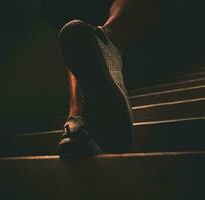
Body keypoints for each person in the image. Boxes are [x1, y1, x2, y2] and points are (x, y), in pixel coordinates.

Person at [40, 0, 205, 157]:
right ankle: (105, 46)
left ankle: (78, 117)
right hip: (142, 52)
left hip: (164, 39)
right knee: (75, 22)